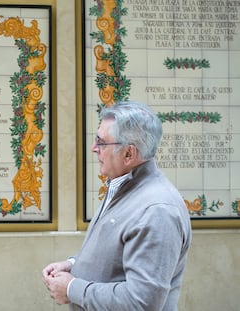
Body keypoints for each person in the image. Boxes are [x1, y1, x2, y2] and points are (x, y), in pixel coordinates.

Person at [42, 101, 192, 310]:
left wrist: (71, 288)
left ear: (129, 154)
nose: (94, 149)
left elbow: (141, 302)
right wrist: (74, 265)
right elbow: (118, 258)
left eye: (102, 143)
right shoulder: (124, 184)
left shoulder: (158, 210)